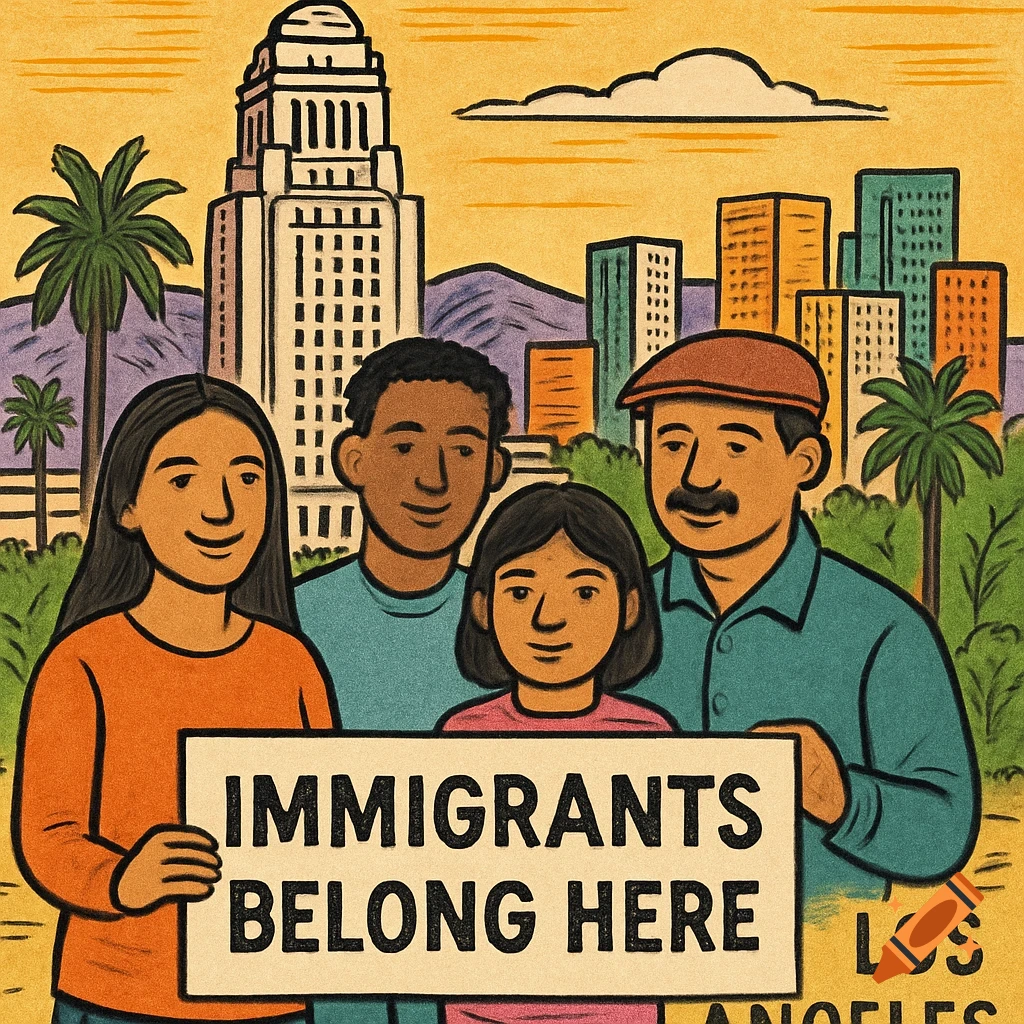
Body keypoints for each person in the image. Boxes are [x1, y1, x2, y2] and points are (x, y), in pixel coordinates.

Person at [14, 375, 337, 1024]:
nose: (220, 508)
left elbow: (328, 828)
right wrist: (121, 880)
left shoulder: (292, 664)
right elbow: (47, 837)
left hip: (270, 1001)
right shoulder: (84, 662)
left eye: (248, 479)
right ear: (127, 506)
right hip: (117, 998)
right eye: (183, 479)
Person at [616, 329, 979, 900]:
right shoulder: (615, 618)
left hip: (822, 969)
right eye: (672, 444)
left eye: (735, 447)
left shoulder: (883, 628)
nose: (698, 477)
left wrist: (842, 798)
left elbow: (947, 827)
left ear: (803, 462)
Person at [294, 337, 511, 1024]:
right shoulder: (281, 625)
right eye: (405, 446)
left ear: (496, 469)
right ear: (353, 460)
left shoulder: (526, 633)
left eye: (465, 450)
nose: (434, 480)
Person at [439, 482, 672, 1024]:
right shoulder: (462, 736)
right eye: (520, 592)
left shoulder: (649, 737)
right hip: (482, 1015)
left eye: (584, 592)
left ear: (630, 606)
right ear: (482, 607)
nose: (549, 618)